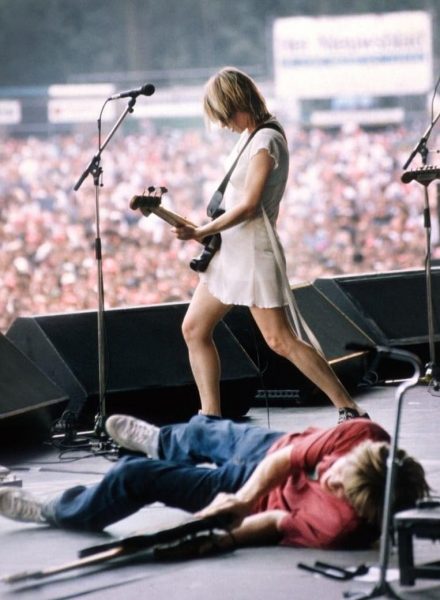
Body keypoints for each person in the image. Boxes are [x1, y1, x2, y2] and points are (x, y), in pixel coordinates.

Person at [171, 66, 366, 422]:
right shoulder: (247, 138)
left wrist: (203, 230)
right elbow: (233, 205)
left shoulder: (266, 140)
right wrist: (200, 227)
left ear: (233, 103)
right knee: (194, 329)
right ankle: (210, 417)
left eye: (221, 115)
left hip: (253, 252)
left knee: (280, 340)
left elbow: (249, 205)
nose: (222, 124)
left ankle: (348, 407)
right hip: (229, 252)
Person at [0, 414, 430, 554]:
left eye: (337, 489)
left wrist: (220, 536)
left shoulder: (341, 528)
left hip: (261, 502)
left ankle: (54, 509)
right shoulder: (362, 433)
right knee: (207, 430)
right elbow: (286, 460)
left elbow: (278, 523)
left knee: (131, 477)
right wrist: (241, 499)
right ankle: (165, 442)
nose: (328, 478)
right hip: (274, 451)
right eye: (338, 470)